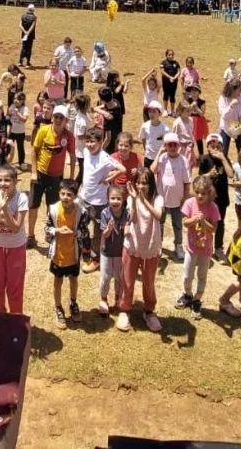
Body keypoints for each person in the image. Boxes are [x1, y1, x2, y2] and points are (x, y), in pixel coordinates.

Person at [117, 167, 163, 333]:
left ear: (151, 184)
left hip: (151, 246)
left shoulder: (158, 199)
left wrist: (143, 200)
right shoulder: (131, 198)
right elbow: (134, 219)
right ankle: (124, 309)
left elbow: (158, 215)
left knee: (149, 282)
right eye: (138, 183)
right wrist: (136, 200)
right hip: (133, 244)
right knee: (128, 280)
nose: (141, 186)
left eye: (144, 183)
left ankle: (149, 311)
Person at [76, 128, 123, 272]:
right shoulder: (86, 151)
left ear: (100, 142)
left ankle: (96, 259)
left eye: (93, 142)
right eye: (88, 141)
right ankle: (85, 252)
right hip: (84, 198)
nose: (90, 145)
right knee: (81, 226)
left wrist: (108, 178)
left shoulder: (105, 158)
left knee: (98, 232)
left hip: (99, 202)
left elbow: (122, 169)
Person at [29, 105, 77, 247]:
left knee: (52, 207)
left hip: (56, 177)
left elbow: (72, 155)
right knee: (33, 205)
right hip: (40, 174)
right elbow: (34, 150)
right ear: (52, 118)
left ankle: (50, 232)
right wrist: (33, 172)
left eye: (61, 117)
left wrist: (71, 177)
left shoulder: (69, 136)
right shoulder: (43, 130)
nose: (58, 120)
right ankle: (30, 236)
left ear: (66, 120)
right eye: (56, 116)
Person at [175, 176, 219, 319]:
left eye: (203, 193)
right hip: (191, 248)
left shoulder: (213, 207)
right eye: (197, 192)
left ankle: (197, 300)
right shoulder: (189, 203)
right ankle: (188, 294)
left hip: (205, 250)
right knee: (187, 275)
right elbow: (185, 223)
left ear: (209, 193)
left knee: (202, 276)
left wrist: (204, 222)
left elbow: (214, 229)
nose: (200, 196)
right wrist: (194, 219)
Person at [0, 164, 29, 314]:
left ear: (15, 181)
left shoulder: (21, 198)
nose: (2, 184)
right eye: (0, 180)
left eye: (7, 180)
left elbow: (16, 227)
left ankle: (15, 318)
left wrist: (5, 209)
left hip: (16, 247)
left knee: (15, 286)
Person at [45, 179, 82, 328]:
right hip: (58, 253)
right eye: (63, 194)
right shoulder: (53, 209)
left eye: (69, 195)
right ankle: (58, 307)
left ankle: (73, 303)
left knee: (73, 279)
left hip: (73, 254)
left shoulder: (80, 211)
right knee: (58, 280)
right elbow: (47, 228)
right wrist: (57, 231)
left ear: (75, 196)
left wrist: (75, 233)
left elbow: (84, 231)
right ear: (59, 193)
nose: (65, 197)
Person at [152, 132, 192, 260]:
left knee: (177, 224)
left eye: (175, 145)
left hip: (177, 200)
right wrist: (159, 152)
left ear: (178, 146)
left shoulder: (183, 160)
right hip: (162, 199)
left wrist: (185, 199)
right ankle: (158, 245)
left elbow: (187, 182)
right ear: (165, 146)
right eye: (170, 145)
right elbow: (152, 170)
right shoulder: (162, 158)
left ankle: (178, 246)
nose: (173, 147)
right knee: (160, 223)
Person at [96, 183, 128, 317]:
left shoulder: (127, 213)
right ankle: (104, 299)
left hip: (120, 252)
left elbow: (128, 232)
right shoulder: (105, 213)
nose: (115, 201)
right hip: (107, 252)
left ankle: (117, 298)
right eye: (112, 198)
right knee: (105, 277)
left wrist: (127, 229)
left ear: (123, 199)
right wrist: (109, 229)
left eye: (118, 198)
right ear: (108, 199)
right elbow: (104, 234)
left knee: (119, 277)